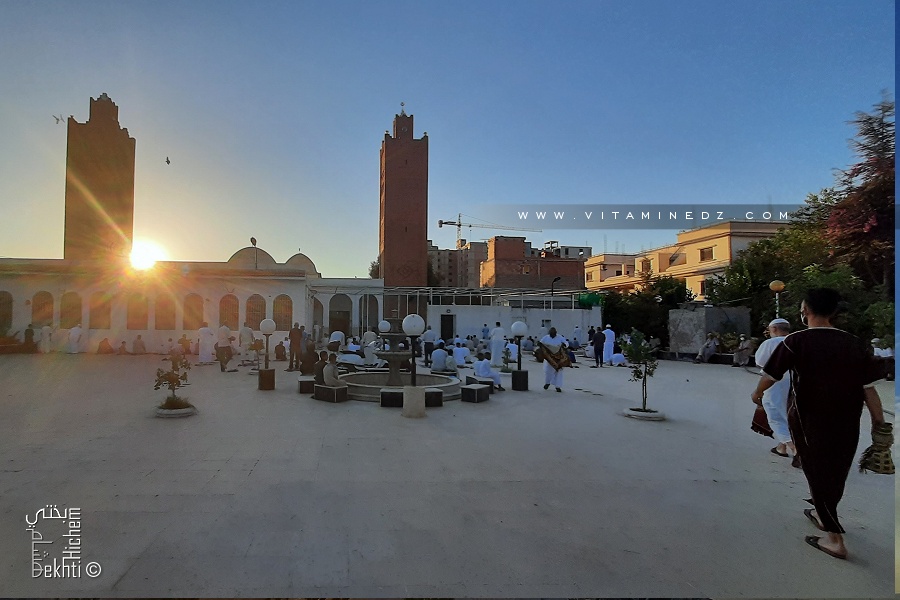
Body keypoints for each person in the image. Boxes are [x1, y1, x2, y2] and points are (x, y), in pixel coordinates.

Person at [751, 288, 886, 561]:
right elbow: (868, 389)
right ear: (834, 312)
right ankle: (822, 513)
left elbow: (770, 375)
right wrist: (879, 423)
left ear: (805, 311)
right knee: (835, 470)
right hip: (847, 418)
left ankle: (834, 539)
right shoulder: (855, 343)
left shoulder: (796, 341)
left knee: (817, 472)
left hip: (809, 417)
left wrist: (756, 394)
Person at [753, 318, 796, 463]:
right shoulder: (797, 340)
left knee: (776, 415)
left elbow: (760, 362)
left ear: (774, 329)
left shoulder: (770, 343)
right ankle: (781, 447)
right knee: (790, 413)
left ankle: (794, 448)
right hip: (796, 382)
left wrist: (758, 391)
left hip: (775, 382)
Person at [539, 327, 569, 392]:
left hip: (558, 358)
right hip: (549, 358)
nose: (552, 335)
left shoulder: (560, 337)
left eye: (553, 334)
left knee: (559, 372)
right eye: (551, 334)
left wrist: (564, 345)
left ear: (556, 333)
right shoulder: (545, 337)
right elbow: (541, 343)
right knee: (547, 371)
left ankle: (558, 386)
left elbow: (566, 343)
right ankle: (547, 383)